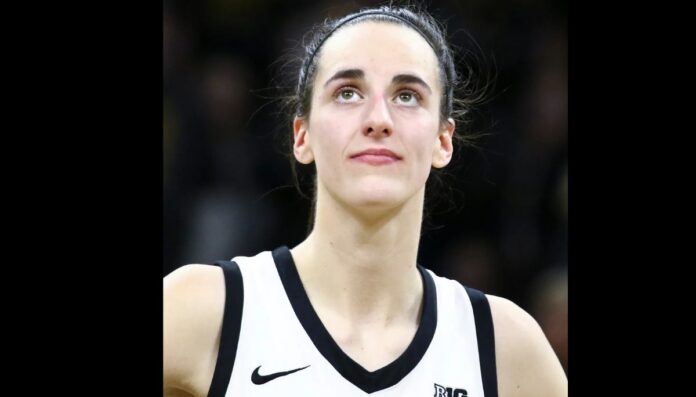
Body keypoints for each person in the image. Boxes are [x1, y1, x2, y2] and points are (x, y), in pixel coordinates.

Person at [164, 5, 568, 397]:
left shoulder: (503, 346)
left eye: (407, 96)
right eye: (347, 93)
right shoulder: (207, 308)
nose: (379, 118)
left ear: (443, 142)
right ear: (301, 136)